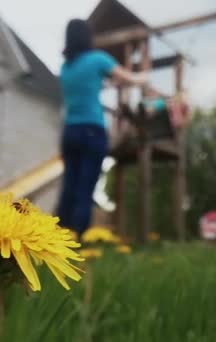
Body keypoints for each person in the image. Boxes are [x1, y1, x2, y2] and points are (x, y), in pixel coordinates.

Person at [55, 19, 148, 235]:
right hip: (92, 130)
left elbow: (86, 87)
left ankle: (58, 237)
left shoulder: (65, 68)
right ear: (87, 37)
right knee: (86, 186)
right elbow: (130, 79)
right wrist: (143, 76)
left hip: (70, 132)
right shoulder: (98, 60)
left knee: (69, 185)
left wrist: (105, 84)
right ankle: (79, 239)